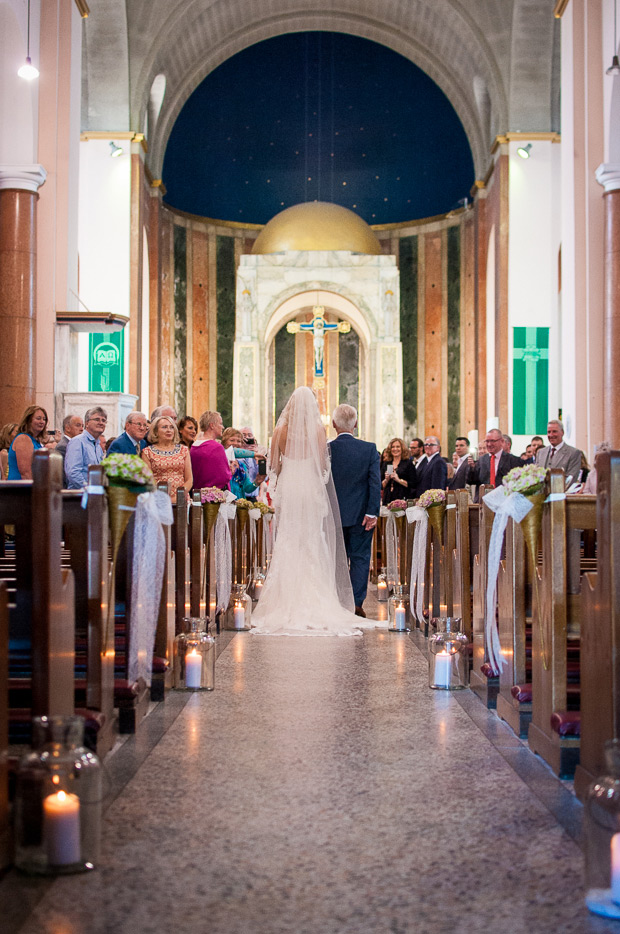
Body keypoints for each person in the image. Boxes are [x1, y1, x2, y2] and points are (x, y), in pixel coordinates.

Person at [251, 386, 371, 636]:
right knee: (312, 539)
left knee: (289, 538)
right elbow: (322, 466)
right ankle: (317, 599)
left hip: (292, 485)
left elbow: (273, 466)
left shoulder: (280, 431)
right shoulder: (318, 430)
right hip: (309, 485)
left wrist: (284, 472)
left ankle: (284, 601)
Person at [329, 403, 380, 617]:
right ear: (356, 424)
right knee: (359, 558)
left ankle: (337, 601)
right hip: (361, 515)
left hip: (332, 516)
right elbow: (375, 483)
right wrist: (372, 512)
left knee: (334, 559)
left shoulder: (326, 449)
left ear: (333, 424)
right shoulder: (369, 449)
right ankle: (356, 604)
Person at [142, 415, 192, 501]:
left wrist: (178, 497)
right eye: (164, 427)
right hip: (158, 500)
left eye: (171, 427)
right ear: (156, 431)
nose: (169, 430)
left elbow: (189, 479)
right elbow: (148, 482)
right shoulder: (147, 452)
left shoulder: (183, 450)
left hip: (182, 500)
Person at [466, 428, 521, 492]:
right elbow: (471, 481)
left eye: (492, 441)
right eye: (487, 441)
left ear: (502, 441)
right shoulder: (481, 460)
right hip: (484, 499)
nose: (489, 444)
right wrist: (472, 468)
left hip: (504, 499)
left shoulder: (513, 460)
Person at [190, 411, 232, 491]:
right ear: (212, 425)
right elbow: (225, 476)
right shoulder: (216, 447)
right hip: (214, 496)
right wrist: (231, 470)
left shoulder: (194, 446)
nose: (222, 427)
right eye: (220, 423)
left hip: (197, 493)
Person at [8, 405, 49, 480]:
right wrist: (38, 490)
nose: (42, 422)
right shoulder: (23, 439)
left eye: (44, 419)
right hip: (20, 488)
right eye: (38, 418)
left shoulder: (35, 440)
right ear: (28, 420)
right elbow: (26, 473)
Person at [381, 437, 416, 504]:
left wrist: (398, 480)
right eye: (393, 447)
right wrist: (386, 479)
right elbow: (381, 486)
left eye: (398, 447)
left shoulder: (408, 464)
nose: (395, 449)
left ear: (402, 449)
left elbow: (413, 484)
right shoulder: (386, 463)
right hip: (387, 498)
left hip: (403, 498)